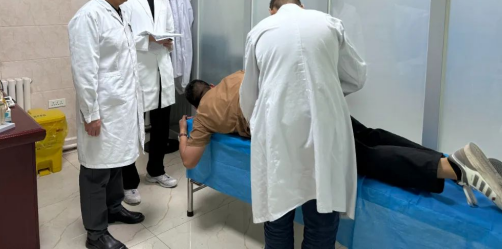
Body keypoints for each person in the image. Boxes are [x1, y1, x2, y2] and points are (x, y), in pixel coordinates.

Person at [179, 72, 502, 212]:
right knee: (370, 135)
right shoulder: (236, 76)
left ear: (196, 104)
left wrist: (184, 130)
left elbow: (189, 160)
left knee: (361, 157)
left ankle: (452, 167)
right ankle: (451, 157)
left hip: (292, 121)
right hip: (314, 100)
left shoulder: (203, 116)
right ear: (211, 84)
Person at [237, 0, 365, 249]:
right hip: (324, 129)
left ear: (272, 11)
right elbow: (356, 77)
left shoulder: (259, 32)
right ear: (302, 6)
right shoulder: (330, 23)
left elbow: (249, 96)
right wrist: (324, 93)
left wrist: (258, 122)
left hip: (277, 132)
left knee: (277, 214)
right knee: (322, 212)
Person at [68, 0, 145, 249]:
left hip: (120, 107)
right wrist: (91, 113)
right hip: (102, 108)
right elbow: (84, 70)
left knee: (115, 163)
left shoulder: (119, 13)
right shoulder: (88, 17)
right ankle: (96, 233)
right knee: (96, 170)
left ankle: (113, 208)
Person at [121, 0, 178, 206]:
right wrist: (149, 40)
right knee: (132, 128)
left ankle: (156, 170)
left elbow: (170, 30)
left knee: (161, 125)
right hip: (138, 71)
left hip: (161, 69)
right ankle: (128, 182)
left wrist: (167, 41)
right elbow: (121, 36)